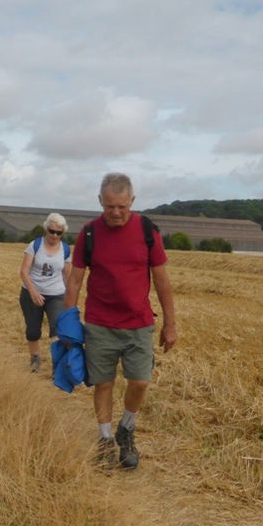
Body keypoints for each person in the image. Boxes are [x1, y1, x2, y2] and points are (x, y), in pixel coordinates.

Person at [63, 173, 176, 469]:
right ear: (100, 201)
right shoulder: (89, 234)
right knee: (103, 384)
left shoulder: (147, 231)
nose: (115, 213)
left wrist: (170, 323)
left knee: (139, 381)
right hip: (100, 323)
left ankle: (126, 429)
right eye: (110, 206)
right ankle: (104, 441)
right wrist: (67, 325)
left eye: (122, 207)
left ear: (132, 202)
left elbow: (162, 280)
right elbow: (75, 281)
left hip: (139, 324)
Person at [19, 213, 72, 372]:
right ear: (46, 228)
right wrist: (34, 292)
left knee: (58, 329)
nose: (54, 235)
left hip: (56, 294)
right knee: (33, 330)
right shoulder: (34, 245)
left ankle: (58, 367)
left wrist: (70, 299)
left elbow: (67, 276)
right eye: (51, 230)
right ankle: (35, 358)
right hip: (31, 292)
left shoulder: (65, 249)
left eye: (58, 232)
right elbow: (24, 271)